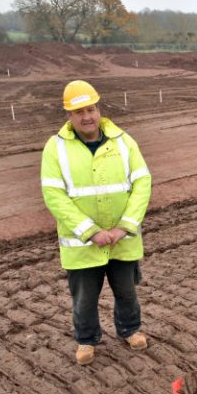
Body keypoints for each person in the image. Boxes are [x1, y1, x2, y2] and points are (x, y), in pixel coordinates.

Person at [41, 80, 152, 366]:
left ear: (98, 109)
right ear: (69, 115)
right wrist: (89, 232)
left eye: (91, 109)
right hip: (82, 246)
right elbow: (53, 194)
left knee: (127, 292)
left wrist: (123, 227)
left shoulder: (124, 142)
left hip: (121, 240)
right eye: (79, 112)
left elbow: (142, 184)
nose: (87, 116)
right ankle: (86, 339)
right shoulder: (56, 148)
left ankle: (130, 329)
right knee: (84, 299)